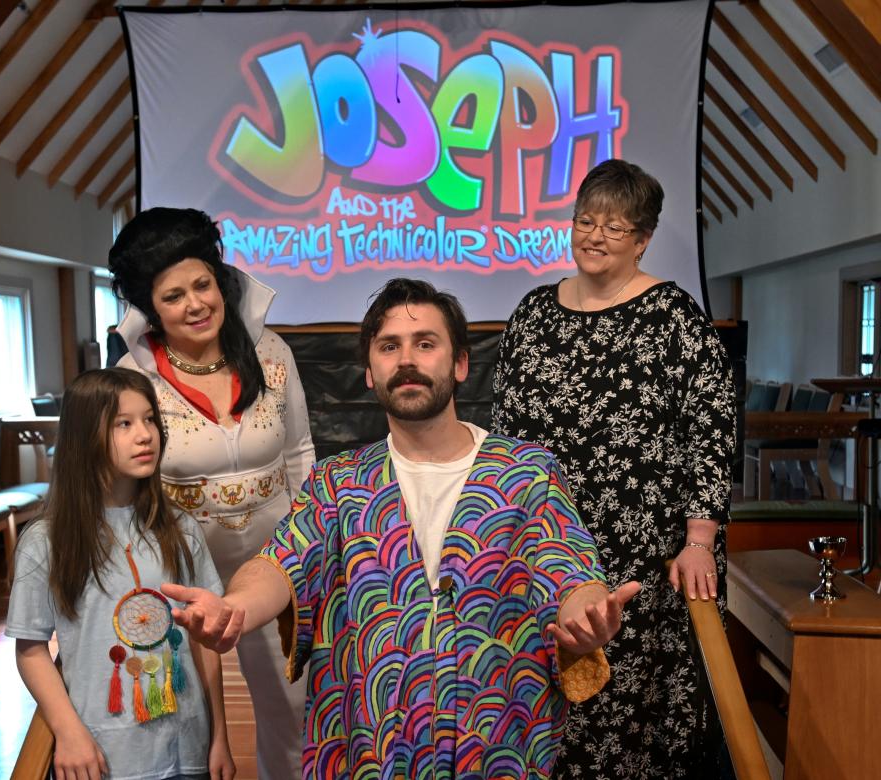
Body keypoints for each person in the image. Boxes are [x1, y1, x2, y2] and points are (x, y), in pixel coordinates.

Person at [162, 278, 641, 779]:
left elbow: (568, 571)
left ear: (460, 365)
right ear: (370, 373)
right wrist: (234, 608)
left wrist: (587, 615)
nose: (406, 359)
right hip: (369, 748)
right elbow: (280, 564)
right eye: (389, 347)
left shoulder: (527, 473)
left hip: (496, 743)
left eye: (426, 344)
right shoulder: (340, 482)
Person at [492, 158, 737, 778]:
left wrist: (701, 539)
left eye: (616, 227)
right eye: (585, 220)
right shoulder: (533, 313)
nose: (595, 236)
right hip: (547, 546)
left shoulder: (675, 316)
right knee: (543, 707)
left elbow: (710, 430)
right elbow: (503, 431)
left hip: (644, 558)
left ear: (644, 239)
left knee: (631, 721)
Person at [109, 207, 315, 780]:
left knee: (294, 712)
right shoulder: (133, 375)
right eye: (173, 296)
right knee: (180, 717)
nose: (195, 304)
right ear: (151, 308)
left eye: (203, 284)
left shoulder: (270, 352)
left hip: (276, 563)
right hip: (177, 569)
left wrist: (308, 547)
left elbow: (299, 453)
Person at [6, 368, 233, 780]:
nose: (145, 435)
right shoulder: (46, 540)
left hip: (189, 748)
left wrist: (220, 736)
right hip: (103, 755)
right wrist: (68, 732)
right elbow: (31, 649)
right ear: (83, 437)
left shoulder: (180, 528)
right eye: (123, 424)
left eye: (149, 419)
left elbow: (203, 641)